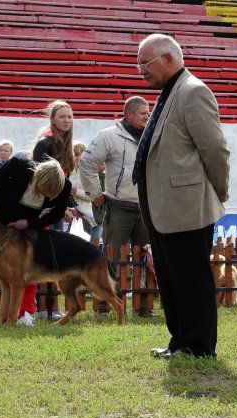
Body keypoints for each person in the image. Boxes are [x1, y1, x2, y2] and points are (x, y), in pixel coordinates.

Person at [134, 34, 230, 359]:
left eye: (144, 63)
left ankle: (200, 347)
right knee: (172, 280)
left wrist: (220, 189)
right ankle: (181, 342)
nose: (140, 71)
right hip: (164, 206)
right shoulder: (170, 92)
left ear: (167, 59)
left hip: (187, 205)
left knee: (191, 279)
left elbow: (214, 149)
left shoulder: (193, 91)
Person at [0, 157, 71, 327]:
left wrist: (28, 223)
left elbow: (56, 214)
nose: (45, 196)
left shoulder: (65, 186)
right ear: (37, 177)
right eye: (42, 190)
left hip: (30, 226)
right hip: (2, 218)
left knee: (28, 268)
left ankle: (24, 313)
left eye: (50, 194)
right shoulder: (18, 166)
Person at [79, 96, 152, 316]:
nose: (147, 117)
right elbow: (86, 163)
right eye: (143, 113)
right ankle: (105, 303)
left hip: (146, 208)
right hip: (118, 206)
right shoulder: (109, 136)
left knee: (146, 258)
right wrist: (95, 194)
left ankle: (144, 305)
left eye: (148, 113)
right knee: (112, 258)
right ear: (129, 114)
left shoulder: (152, 136)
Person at [31, 100, 75, 320]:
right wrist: (59, 205)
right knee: (43, 257)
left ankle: (51, 307)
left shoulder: (64, 143)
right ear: (53, 120)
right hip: (43, 208)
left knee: (54, 257)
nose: (66, 120)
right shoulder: (45, 143)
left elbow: (63, 182)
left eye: (69, 116)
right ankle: (40, 307)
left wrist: (67, 204)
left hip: (56, 207)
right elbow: (40, 181)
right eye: (62, 117)